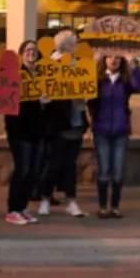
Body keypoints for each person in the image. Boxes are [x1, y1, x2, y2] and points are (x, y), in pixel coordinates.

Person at [89, 52, 140, 219]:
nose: (113, 60)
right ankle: (102, 206)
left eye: (117, 58)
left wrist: (133, 64)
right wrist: (92, 63)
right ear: (104, 60)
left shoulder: (125, 80)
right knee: (104, 171)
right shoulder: (99, 80)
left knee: (118, 172)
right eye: (109, 57)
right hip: (101, 130)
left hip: (121, 130)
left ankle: (115, 206)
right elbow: (84, 85)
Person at [38, 30, 88, 218]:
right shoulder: (51, 65)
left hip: (76, 121)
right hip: (58, 123)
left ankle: (71, 201)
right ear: (66, 45)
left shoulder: (81, 65)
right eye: (75, 42)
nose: (77, 45)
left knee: (70, 164)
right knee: (53, 164)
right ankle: (45, 198)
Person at [4, 41, 46, 225]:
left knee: (33, 171)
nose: (31, 53)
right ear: (22, 54)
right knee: (23, 169)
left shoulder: (42, 74)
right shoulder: (14, 74)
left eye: (34, 50)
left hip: (37, 129)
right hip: (19, 129)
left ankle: (22, 207)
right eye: (28, 50)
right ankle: (12, 209)